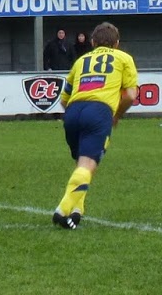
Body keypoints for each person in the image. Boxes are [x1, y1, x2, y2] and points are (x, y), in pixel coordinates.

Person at [52, 22, 139, 229]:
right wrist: (116, 115)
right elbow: (130, 95)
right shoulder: (124, 58)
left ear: (92, 42)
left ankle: (76, 211)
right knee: (87, 164)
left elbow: (64, 99)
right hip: (98, 112)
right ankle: (62, 210)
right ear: (116, 43)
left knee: (82, 163)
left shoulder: (81, 60)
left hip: (73, 111)